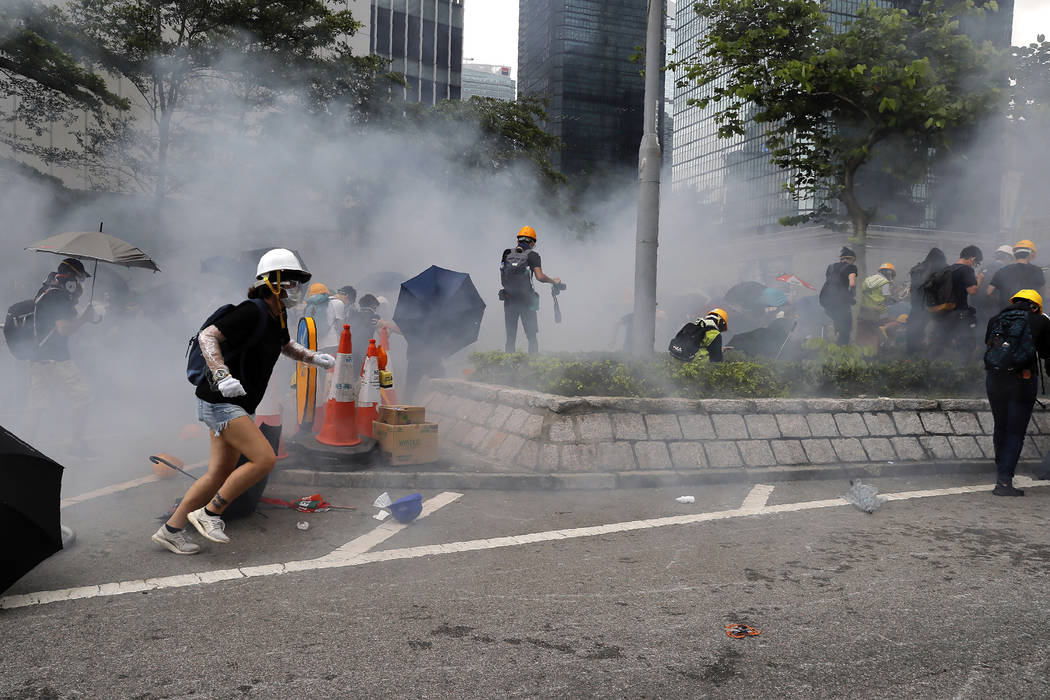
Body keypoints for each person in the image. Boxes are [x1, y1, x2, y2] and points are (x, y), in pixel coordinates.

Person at [151, 248, 335, 555]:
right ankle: (209, 514)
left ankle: (170, 531)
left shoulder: (278, 312)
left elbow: (284, 343)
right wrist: (223, 375)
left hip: (233, 404)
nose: (297, 288)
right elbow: (207, 337)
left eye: (298, 281)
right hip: (220, 402)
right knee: (264, 458)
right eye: (291, 281)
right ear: (272, 281)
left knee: (218, 473)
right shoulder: (252, 310)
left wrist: (312, 357)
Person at [26, 258, 99, 452]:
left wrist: (76, 307)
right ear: (70, 280)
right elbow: (63, 329)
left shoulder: (45, 291)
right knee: (83, 397)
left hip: (38, 358)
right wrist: (85, 318)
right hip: (57, 358)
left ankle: (23, 446)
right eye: (80, 280)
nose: (80, 285)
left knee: (38, 404)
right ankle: (77, 445)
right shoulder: (59, 297)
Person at [983, 289, 1050, 496]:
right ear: (1036, 306)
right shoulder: (1040, 321)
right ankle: (1004, 482)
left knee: (1000, 426)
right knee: (1015, 431)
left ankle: (1000, 474)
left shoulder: (996, 319)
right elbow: (1048, 353)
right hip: (1023, 380)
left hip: (994, 379)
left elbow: (989, 346)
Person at [500, 225, 562, 354]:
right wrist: (553, 281)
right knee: (532, 337)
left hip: (509, 299)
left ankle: (506, 368)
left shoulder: (506, 253)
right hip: (527, 301)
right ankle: (533, 367)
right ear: (532, 242)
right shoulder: (533, 255)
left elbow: (503, 275)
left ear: (518, 240)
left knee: (510, 338)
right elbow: (540, 277)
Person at [929, 245, 983, 362]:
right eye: (976, 263)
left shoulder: (948, 269)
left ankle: (932, 368)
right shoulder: (967, 270)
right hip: (959, 315)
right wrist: (979, 280)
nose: (974, 265)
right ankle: (962, 371)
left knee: (940, 343)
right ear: (972, 259)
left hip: (943, 313)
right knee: (967, 345)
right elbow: (972, 290)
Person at [857, 262, 906, 351]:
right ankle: (888, 343)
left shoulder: (868, 280)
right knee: (896, 323)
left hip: (863, 311)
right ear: (889, 273)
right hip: (877, 313)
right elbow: (887, 299)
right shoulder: (884, 282)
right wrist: (898, 299)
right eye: (892, 275)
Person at [906, 248, 947, 352]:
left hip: (916, 307)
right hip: (932, 309)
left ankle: (909, 359)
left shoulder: (916, 269)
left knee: (913, 333)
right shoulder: (940, 269)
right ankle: (929, 360)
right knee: (935, 335)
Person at [985, 240, 1046, 310]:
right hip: (1029, 312)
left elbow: (989, 292)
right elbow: (1044, 292)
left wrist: (999, 302)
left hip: (1007, 312)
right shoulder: (1037, 271)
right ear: (1031, 254)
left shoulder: (1002, 270)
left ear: (1015, 255)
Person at [818, 247, 858, 345]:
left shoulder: (830, 267)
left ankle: (831, 336)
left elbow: (832, 282)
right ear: (852, 259)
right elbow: (852, 283)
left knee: (837, 319)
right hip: (839, 300)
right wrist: (852, 293)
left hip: (824, 298)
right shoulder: (851, 267)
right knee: (846, 327)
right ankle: (841, 348)